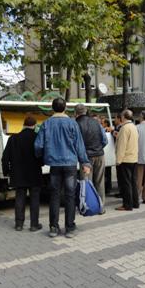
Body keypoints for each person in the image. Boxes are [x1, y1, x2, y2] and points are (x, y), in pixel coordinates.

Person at [34, 98, 91, 238]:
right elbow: (79, 145)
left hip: (54, 165)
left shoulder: (46, 124)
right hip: (70, 164)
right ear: (65, 108)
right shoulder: (72, 123)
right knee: (70, 196)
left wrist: (41, 157)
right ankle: (70, 228)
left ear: (52, 108)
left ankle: (54, 227)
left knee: (54, 196)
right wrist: (85, 163)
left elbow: (38, 145)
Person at [2, 116, 43, 232]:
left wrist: (7, 172)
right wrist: (41, 163)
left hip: (18, 175)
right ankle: (34, 224)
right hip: (34, 174)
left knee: (20, 198)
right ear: (34, 126)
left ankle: (19, 224)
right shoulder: (37, 138)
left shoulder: (13, 138)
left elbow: (5, 158)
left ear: (23, 125)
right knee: (34, 199)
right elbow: (41, 156)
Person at [75, 104, 108, 212]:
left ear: (76, 113)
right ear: (85, 111)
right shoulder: (96, 122)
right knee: (100, 182)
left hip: (86, 158)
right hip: (100, 155)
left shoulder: (76, 124)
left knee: (86, 182)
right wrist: (98, 148)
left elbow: (76, 143)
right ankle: (101, 207)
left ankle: (88, 206)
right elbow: (104, 140)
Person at [115, 109, 139, 211]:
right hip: (133, 158)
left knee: (126, 183)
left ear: (123, 117)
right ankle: (135, 202)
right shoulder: (134, 127)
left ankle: (127, 205)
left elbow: (122, 146)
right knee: (133, 182)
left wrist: (118, 160)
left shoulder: (124, 128)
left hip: (125, 159)